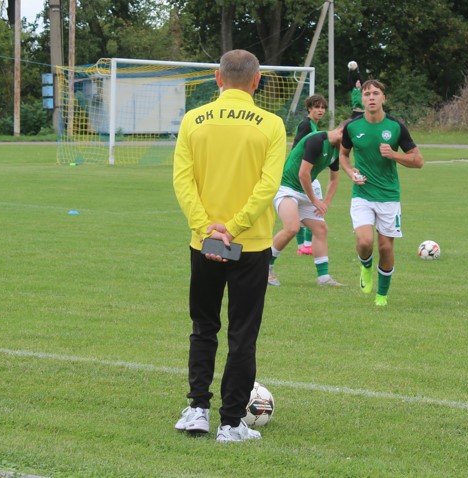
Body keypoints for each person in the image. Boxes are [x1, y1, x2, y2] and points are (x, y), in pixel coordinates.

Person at [172, 49, 286, 443]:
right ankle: (231, 423)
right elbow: (267, 187)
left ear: (217, 79)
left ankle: (197, 410)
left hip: (203, 243)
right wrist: (234, 228)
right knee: (242, 333)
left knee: (204, 327)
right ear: (257, 82)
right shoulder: (271, 124)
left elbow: (182, 181)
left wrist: (208, 229)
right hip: (250, 245)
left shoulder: (193, 120)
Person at [339, 80, 424, 306]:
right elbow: (343, 155)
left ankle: (382, 295)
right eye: (367, 94)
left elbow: (418, 161)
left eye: (376, 93)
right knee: (365, 241)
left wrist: (395, 155)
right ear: (362, 99)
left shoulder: (396, 127)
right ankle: (365, 266)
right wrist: (350, 172)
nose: (372, 97)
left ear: (384, 98)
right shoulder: (352, 127)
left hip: (388, 197)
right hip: (362, 194)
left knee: (385, 247)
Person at [267, 124, 348, 287]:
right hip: (285, 187)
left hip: (304, 191)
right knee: (292, 227)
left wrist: (326, 202)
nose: (350, 147)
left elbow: (334, 179)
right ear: (341, 132)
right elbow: (303, 174)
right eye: (349, 141)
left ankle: (323, 278)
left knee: (320, 229)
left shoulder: (335, 150)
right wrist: (315, 201)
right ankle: (264, 267)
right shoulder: (317, 140)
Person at [292, 94, 329, 256]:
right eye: (317, 107)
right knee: (315, 207)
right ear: (309, 108)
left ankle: (303, 245)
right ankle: (306, 245)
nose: (320, 110)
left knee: (301, 209)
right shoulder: (306, 125)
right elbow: (297, 147)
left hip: (305, 172)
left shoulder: (313, 125)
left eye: (323, 107)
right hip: (302, 173)